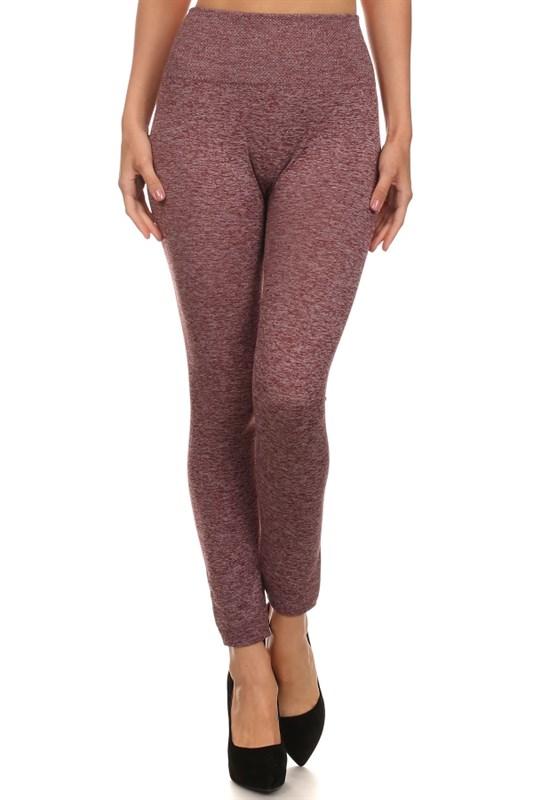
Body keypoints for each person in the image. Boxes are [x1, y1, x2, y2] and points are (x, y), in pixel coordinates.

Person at [119, 0, 412, 791]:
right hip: (203, 94)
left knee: (288, 390)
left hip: (333, 99)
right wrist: (133, 114)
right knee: (221, 398)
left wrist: (402, 124)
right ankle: (246, 654)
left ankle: (293, 619)